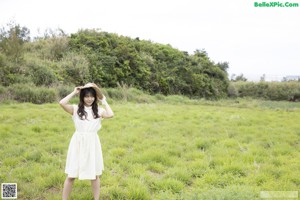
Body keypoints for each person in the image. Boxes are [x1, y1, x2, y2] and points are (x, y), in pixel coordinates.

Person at [59, 83, 114, 200]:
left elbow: (111, 114)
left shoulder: (99, 110)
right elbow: (62, 103)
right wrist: (74, 92)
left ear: (95, 97)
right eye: (86, 96)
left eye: (92, 96)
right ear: (82, 97)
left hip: (92, 143)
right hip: (78, 142)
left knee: (94, 175)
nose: (89, 99)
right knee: (71, 175)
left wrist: (104, 100)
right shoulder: (75, 109)